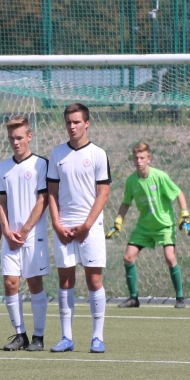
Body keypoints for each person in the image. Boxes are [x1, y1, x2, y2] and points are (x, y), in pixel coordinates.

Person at [46, 103, 112, 353]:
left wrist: (86, 225)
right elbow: (51, 193)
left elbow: (103, 193)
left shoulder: (98, 154)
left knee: (94, 280)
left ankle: (97, 337)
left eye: (76, 122)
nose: (72, 126)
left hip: (90, 227)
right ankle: (66, 337)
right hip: (64, 228)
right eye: (68, 122)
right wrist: (56, 223)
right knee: (65, 280)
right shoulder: (56, 154)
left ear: (87, 123)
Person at [106, 141, 190, 309]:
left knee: (170, 257)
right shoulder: (131, 181)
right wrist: (118, 221)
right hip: (144, 227)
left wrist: (184, 215)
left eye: (142, 158)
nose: (138, 161)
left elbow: (179, 193)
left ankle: (180, 297)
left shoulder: (160, 177)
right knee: (128, 257)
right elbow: (126, 202)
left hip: (164, 225)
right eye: (136, 158)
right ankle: (133, 299)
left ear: (149, 159)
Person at [0, 116, 50, 351]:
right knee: (10, 283)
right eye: (11, 138)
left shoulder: (41, 164)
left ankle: (38, 336)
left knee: (34, 282)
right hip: (11, 237)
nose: (15, 142)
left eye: (19, 137)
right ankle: (20, 335)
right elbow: (1, 202)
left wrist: (26, 229)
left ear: (29, 136)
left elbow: (43, 199)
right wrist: (6, 230)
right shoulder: (3, 168)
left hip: (33, 235)